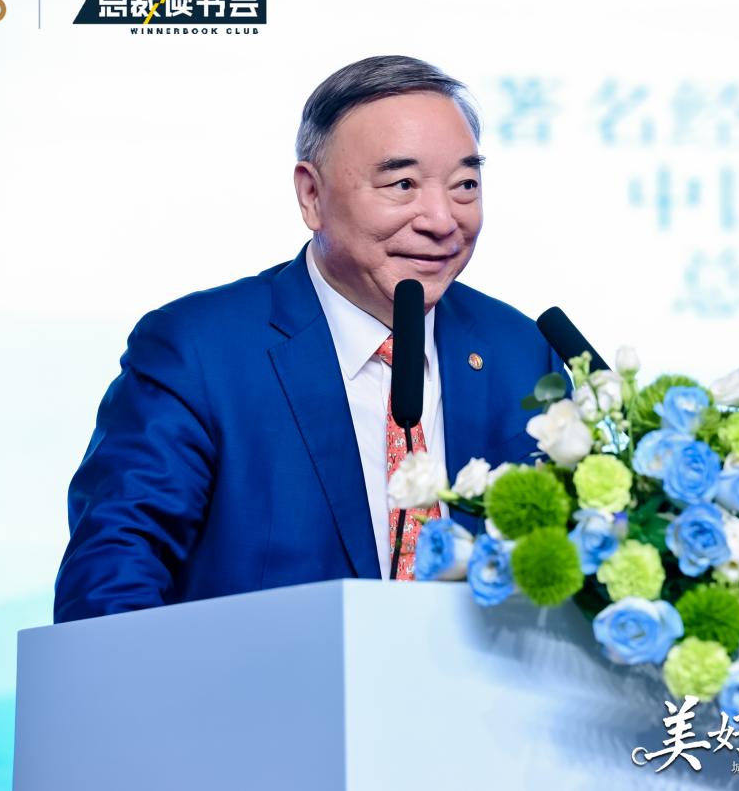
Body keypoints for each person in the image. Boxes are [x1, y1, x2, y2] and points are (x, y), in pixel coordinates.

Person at [53, 55, 561, 623]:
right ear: (312, 195)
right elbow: (109, 587)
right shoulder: (198, 355)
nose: (442, 220)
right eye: (402, 184)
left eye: (465, 184)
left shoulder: (521, 353)